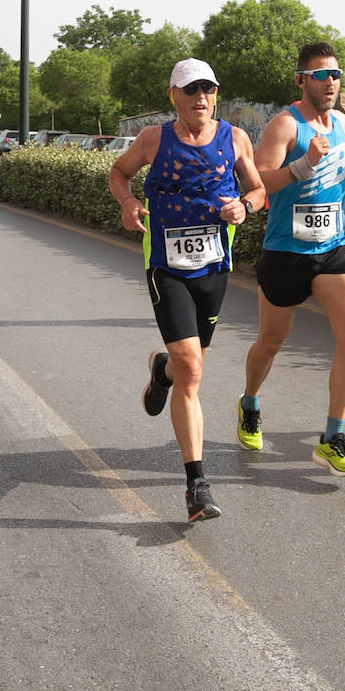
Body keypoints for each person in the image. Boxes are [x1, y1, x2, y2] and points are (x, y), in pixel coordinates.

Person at [108, 58, 265, 522]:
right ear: (173, 95)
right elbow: (119, 175)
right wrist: (129, 202)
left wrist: (244, 207)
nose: (201, 97)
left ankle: (162, 373)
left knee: (184, 365)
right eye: (191, 89)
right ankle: (197, 483)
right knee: (193, 369)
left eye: (209, 89)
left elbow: (258, 190)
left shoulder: (234, 138)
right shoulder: (155, 139)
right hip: (166, 265)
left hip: (214, 266)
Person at [238, 42, 345, 477]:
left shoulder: (343, 122)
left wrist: (338, 189)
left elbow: (339, 167)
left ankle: (333, 436)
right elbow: (256, 184)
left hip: (332, 248)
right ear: (301, 80)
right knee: (270, 343)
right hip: (286, 251)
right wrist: (302, 168)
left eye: (335, 74)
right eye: (319, 75)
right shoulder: (284, 126)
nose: (329, 82)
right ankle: (250, 401)